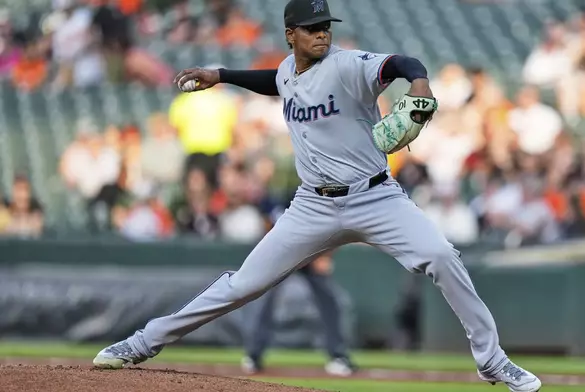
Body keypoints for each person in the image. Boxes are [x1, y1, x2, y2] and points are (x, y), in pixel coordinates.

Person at [93, 1, 542, 391]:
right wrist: (222, 74)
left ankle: (491, 359)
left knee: (442, 257)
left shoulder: (348, 65)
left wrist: (420, 84)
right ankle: (143, 342)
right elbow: (276, 79)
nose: (323, 32)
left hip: (376, 197)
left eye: (326, 25)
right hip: (313, 205)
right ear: (291, 35)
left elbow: (401, 63)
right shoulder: (290, 69)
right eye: (312, 27)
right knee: (243, 285)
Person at [240, 251, 357, 376]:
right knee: (264, 300)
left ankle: (338, 356)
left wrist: (324, 255)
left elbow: (333, 233)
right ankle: (253, 356)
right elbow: (270, 231)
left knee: (329, 301)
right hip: (284, 249)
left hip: (312, 251)